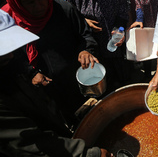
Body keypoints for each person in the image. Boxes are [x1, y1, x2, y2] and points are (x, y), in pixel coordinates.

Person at [0, 9, 113, 157]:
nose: (11, 54)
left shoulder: (11, 65)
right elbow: (28, 142)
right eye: (3, 53)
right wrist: (89, 154)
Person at [1, 0, 98, 125]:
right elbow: (11, 59)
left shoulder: (63, 10)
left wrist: (86, 50)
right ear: (16, 2)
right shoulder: (8, 26)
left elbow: (85, 34)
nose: (39, 6)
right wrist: (31, 73)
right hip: (45, 91)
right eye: (30, 2)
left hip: (75, 80)